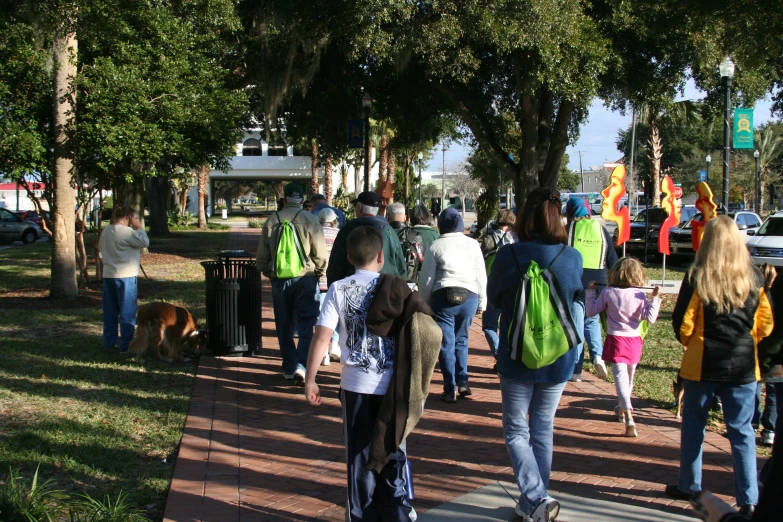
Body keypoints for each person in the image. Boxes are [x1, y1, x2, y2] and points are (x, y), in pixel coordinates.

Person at [304, 226, 417, 521]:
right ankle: (397, 510)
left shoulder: (338, 290)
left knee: (358, 455)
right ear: (381, 256)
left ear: (348, 257)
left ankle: (361, 513)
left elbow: (321, 337)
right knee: (394, 449)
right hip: (394, 388)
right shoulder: (399, 288)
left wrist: (310, 378)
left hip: (356, 386)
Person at [666, 216, 774, 516]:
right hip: (743, 367)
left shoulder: (698, 276)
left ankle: (690, 486)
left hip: (702, 363)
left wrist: (693, 342)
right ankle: (749, 499)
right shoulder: (753, 278)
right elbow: (766, 323)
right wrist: (748, 340)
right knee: (742, 433)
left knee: (693, 428)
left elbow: (683, 324)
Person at [487, 188, 583, 521]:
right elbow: (578, 299)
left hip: (517, 355)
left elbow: (495, 301)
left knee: (516, 431)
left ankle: (535, 496)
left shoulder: (508, 256)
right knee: (543, 427)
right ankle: (536, 501)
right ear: (560, 218)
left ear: (525, 218)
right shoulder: (571, 257)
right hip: (558, 358)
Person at [257, 183, 328, 385]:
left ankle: (289, 367)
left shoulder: (272, 221)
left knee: (284, 324)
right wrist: (319, 272)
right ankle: (302, 365)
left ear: (285, 198)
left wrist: (269, 272)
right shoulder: (311, 219)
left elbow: (262, 258)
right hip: (306, 278)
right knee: (307, 324)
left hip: (280, 279)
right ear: (301, 199)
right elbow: (321, 254)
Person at [586, 257, 661, 437]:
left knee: (620, 377)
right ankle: (623, 409)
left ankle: (627, 413)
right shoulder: (639, 295)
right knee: (629, 376)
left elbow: (591, 311)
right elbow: (650, 318)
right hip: (634, 341)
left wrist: (590, 292)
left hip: (616, 340)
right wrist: (655, 299)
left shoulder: (609, 292)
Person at [418, 208, 486, 403]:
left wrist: (424, 302)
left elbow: (427, 279)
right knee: (462, 339)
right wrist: (483, 301)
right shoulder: (472, 244)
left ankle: (450, 388)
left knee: (446, 343)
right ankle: (463, 380)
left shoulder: (435, 245)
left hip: (443, 297)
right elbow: (481, 275)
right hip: (469, 297)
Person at [565, 196, 618, 382]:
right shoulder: (601, 230)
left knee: (577, 325)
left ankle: (576, 370)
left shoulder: (569, 229)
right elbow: (613, 260)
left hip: (576, 283)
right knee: (592, 321)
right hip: (599, 283)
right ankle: (597, 357)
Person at [326, 191, 406, 286]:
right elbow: (401, 268)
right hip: (385, 290)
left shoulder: (348, 229)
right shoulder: (389, 231)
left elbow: (335, 265)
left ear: (359, 207)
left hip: (352, 290)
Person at [98, 206, 150, 353]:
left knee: (110, 311)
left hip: (109, 274)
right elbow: (145, 242)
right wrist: (139, 227)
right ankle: (126, 345)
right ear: (128, 217)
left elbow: (100, 250)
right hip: (126, 276)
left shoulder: (106, 230)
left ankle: (109, 343)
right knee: (127, 312)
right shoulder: (127, 232)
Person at [479, 209, 517, 364]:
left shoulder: (488, 240)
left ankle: (498, 354)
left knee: (489, 325)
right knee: (510, 325)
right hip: (514, 286)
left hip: (492, 285)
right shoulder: (518, 240)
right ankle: (508, 355)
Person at [317, 207, 341, 364]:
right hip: (334, 281)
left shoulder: (314, 233)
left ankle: (323, 352)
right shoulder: (339, 234)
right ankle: (334, 345)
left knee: (322, 317)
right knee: (336, 315)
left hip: (319, 281)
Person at [387, 202, 425, 285]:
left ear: (388, 217)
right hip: (409, 283)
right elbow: (421, 263)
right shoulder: (416, 236)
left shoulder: (384, 234)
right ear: (405, 218)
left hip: (387, 282)